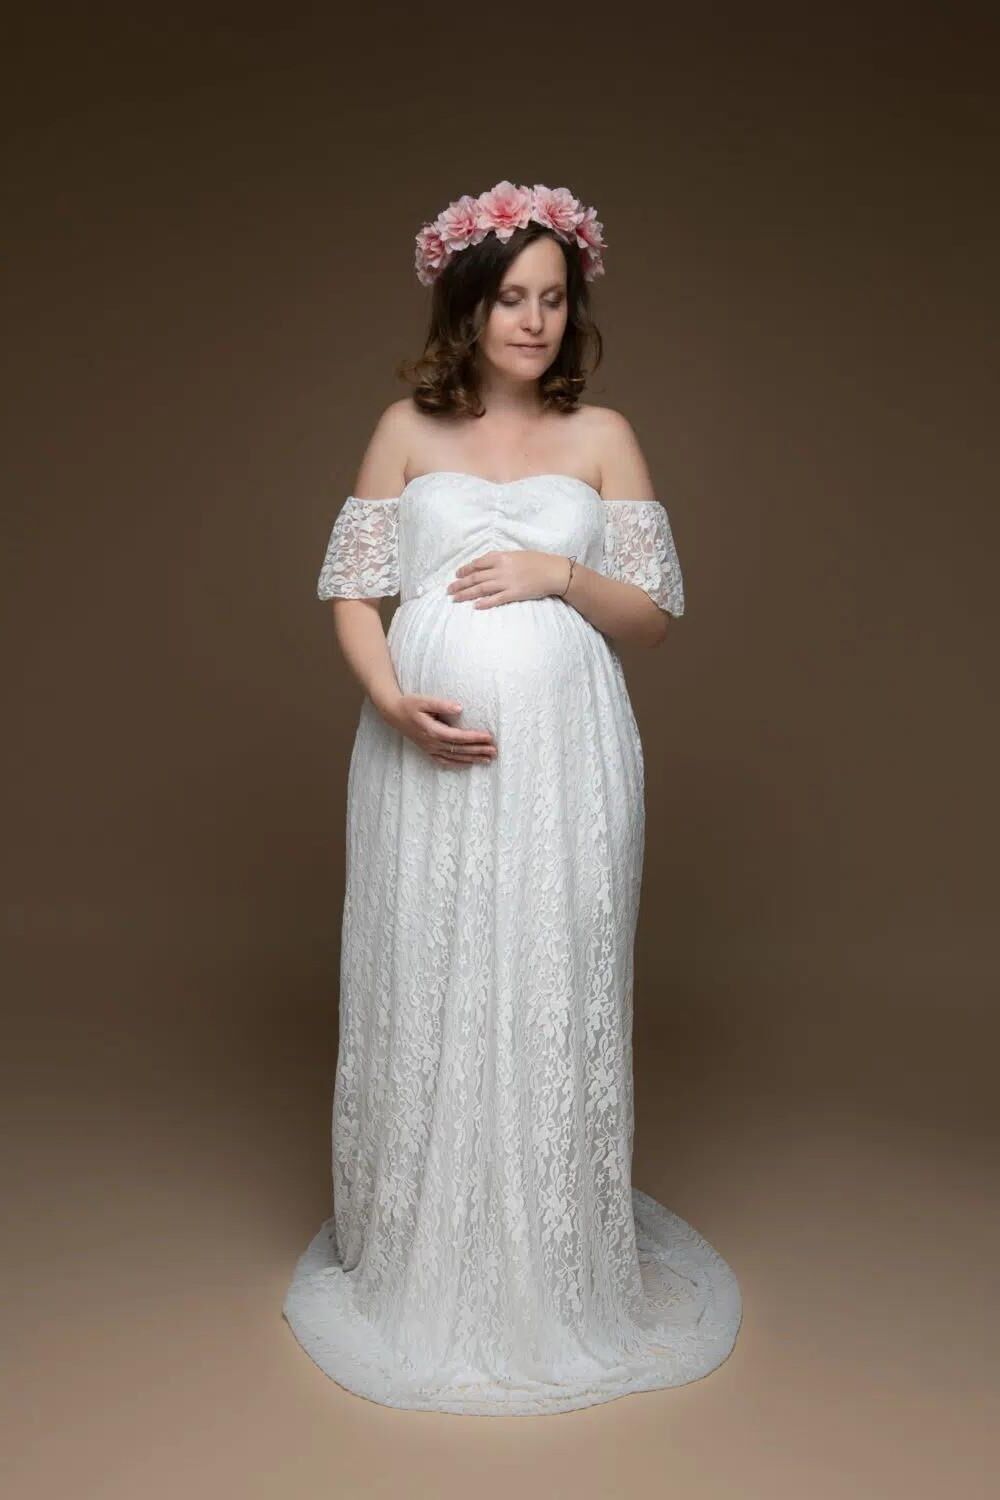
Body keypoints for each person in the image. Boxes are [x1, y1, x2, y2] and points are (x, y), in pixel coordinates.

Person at [282, 180, 742, 1415]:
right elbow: (350, 588)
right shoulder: (402, 430)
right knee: (427, 967)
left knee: (549, 970)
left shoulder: (605, 438)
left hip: (567, 764)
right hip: (417, 754)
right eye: (508, 299)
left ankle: (544, 1261)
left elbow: (651, 618)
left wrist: (559, 572)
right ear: (467, 307)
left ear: (570, 310)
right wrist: (387, 697)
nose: (530, 321)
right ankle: (428, 1241)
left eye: (551, 299)